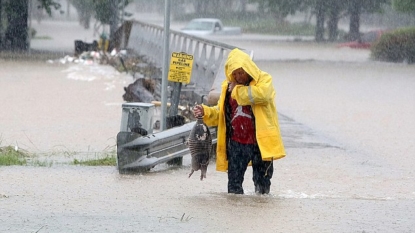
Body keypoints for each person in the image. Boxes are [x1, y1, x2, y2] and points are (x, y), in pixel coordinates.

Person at [193, 48, 286, 194]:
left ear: (248, 69)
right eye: (234, 74)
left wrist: (237, 90)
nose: (238, 77)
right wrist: (206, 111)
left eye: (241, 72)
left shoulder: (264, 80)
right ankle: (235, 214)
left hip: (260, 144)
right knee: (233, 187)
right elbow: (221, 114)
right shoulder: (228, 87)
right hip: (237, 144)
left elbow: (261, 96)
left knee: (262, 187)